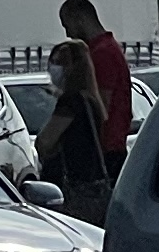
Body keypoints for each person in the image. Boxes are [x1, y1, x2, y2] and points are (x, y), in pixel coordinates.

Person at [33, 39, 116, 223]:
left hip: (73, 187)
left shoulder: (71, 101)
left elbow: (45, 141)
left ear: (72, 68)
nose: (53, 68)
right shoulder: (91, 101)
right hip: (92, 186)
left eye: (58, 62)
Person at [59, 0, 136, 162]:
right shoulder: (109, 48)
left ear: (79, 19)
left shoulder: (101, 54)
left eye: (67, 25)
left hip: (104, 152)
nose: (68, 34)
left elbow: (98, 107)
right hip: (111, 148)